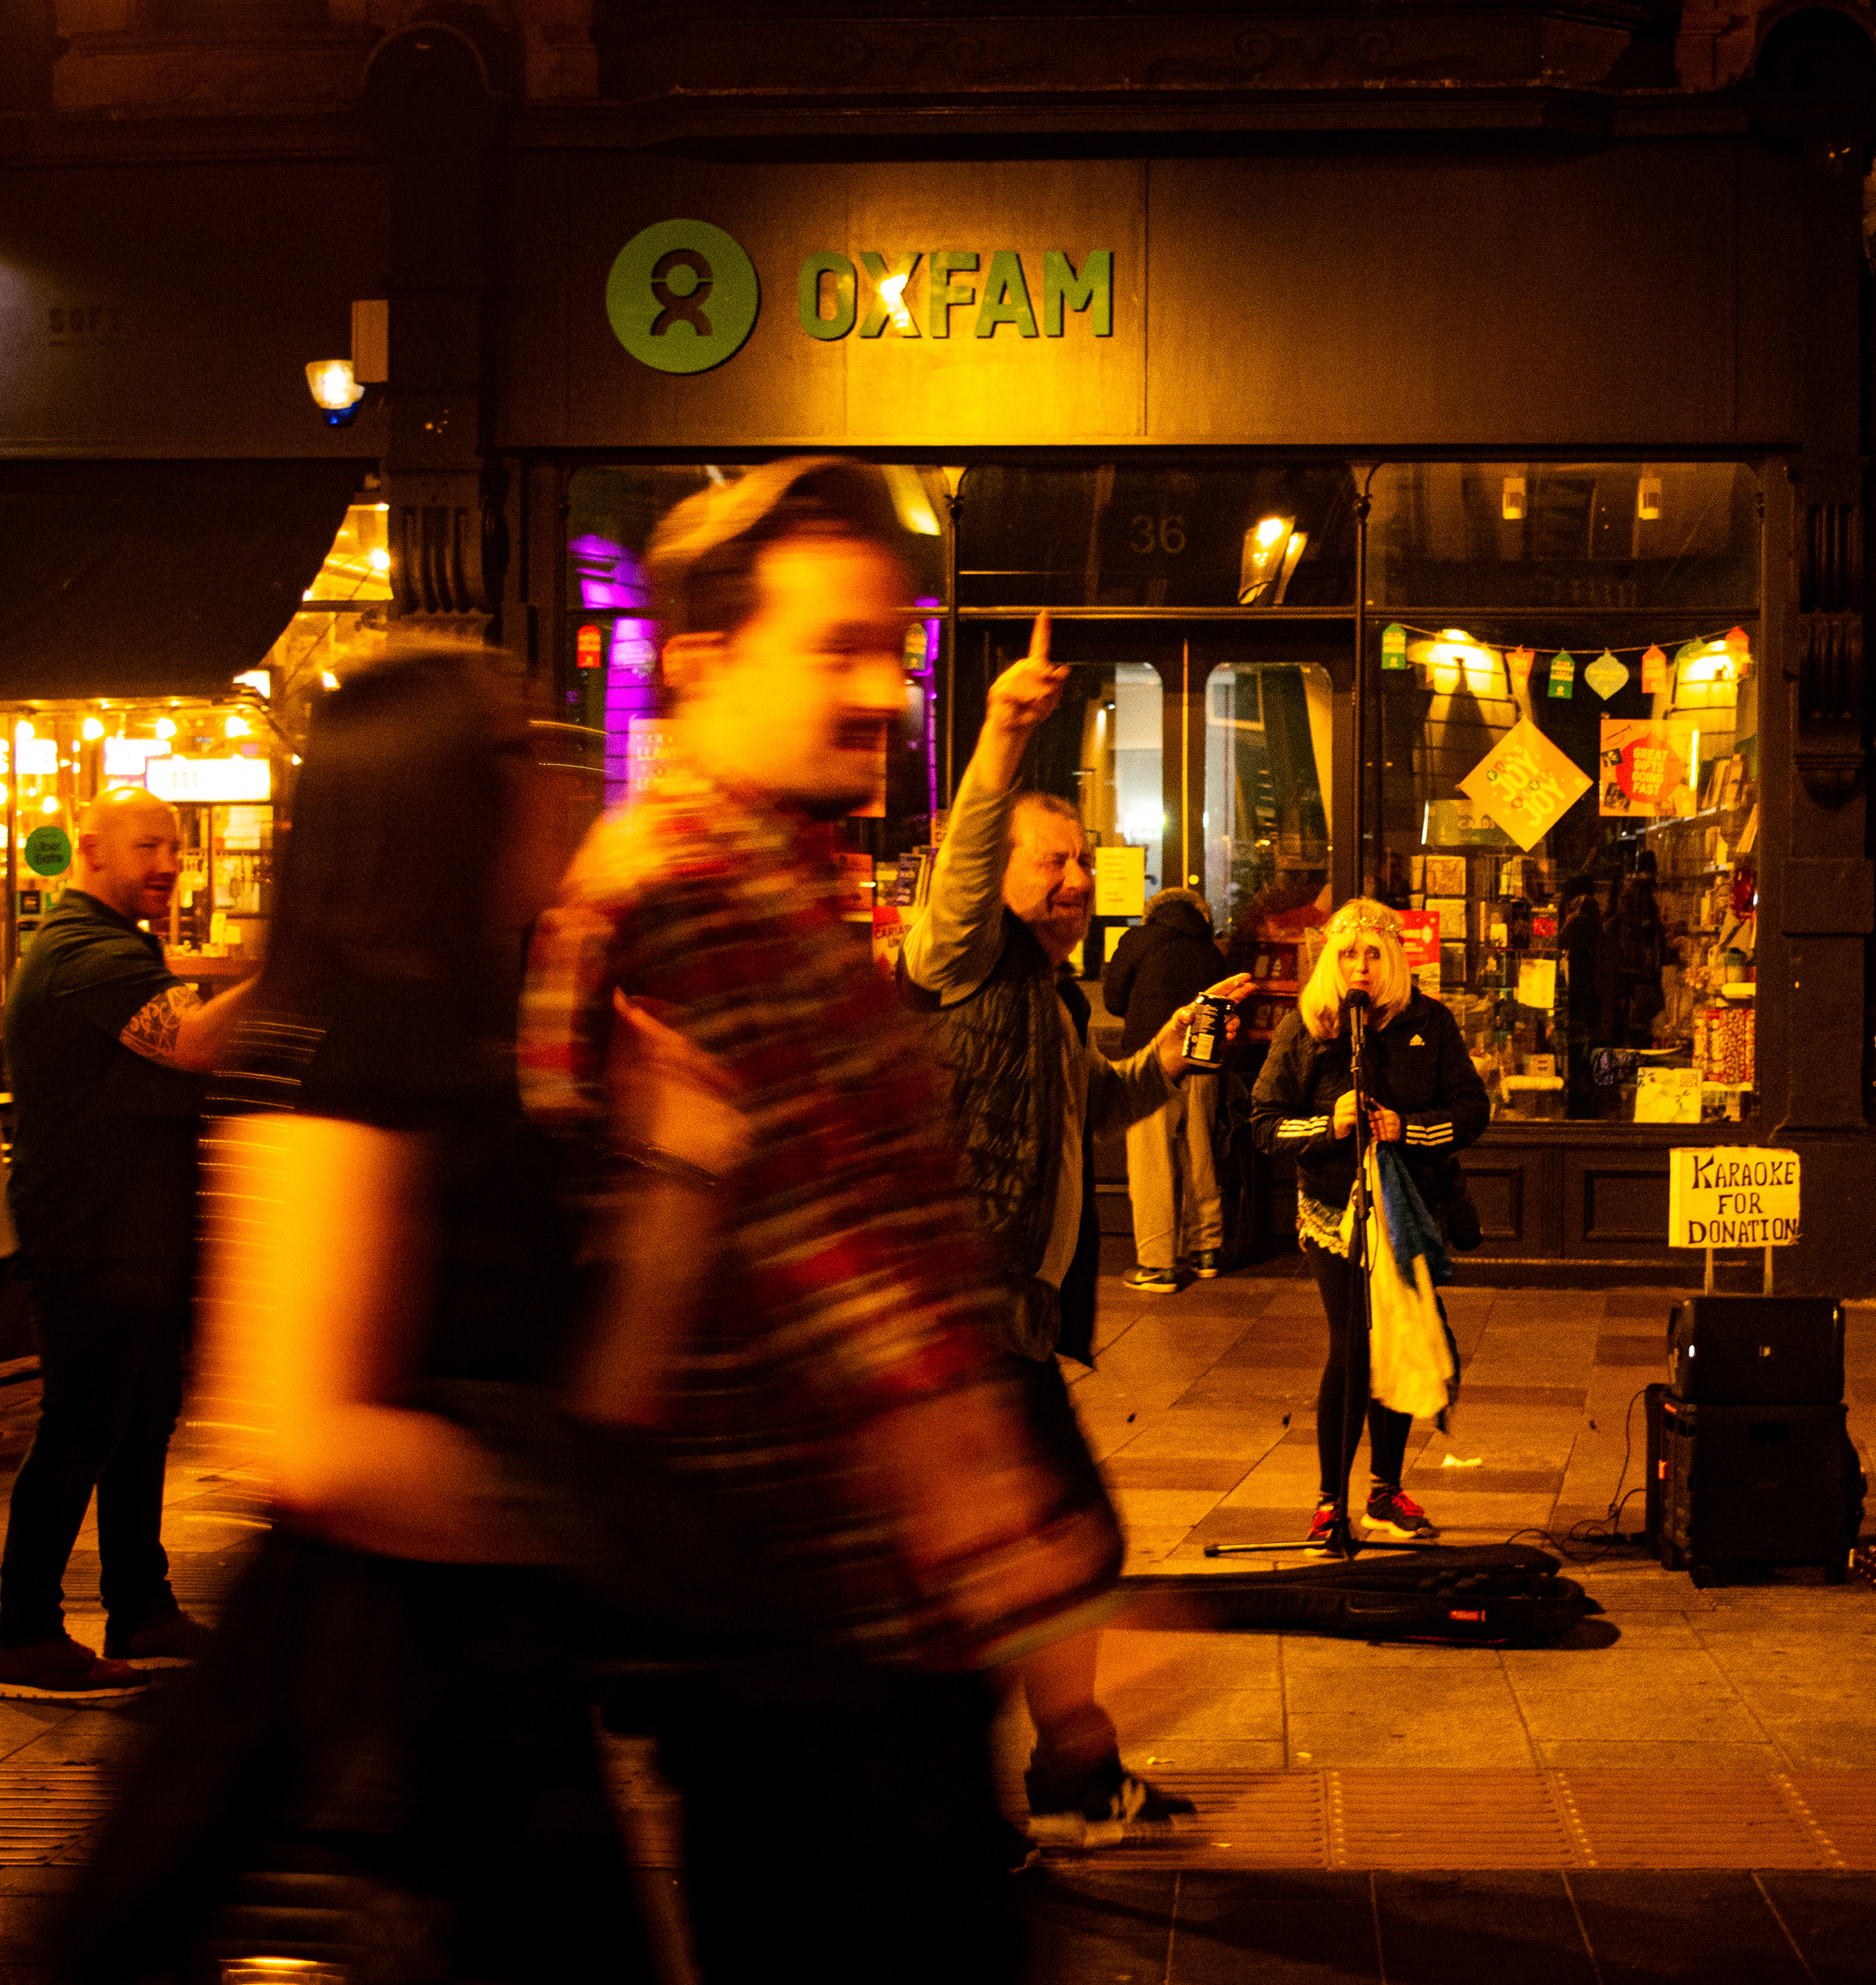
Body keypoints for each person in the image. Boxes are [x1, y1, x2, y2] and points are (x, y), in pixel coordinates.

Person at [520, 457, 1134, 1980]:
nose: (881, 685)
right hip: (806, 1663)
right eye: (836, 646)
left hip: (886, 1648)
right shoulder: (674, 900)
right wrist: (1001, 1525)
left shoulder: (783, 887)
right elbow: (817, 1272)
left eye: (894, 646)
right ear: (704, 661)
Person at [55, 644, 682, 1985]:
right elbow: (310, 1443)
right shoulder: (347, 1046)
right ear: (440, 800)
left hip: (486, 1695)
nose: (562, 779)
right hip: (388, 1729)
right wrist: (590, 1507)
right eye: (525, 751)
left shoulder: (459, 1034)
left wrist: (676, 1171)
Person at [893, 613, 1247, 1844]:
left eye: (1087, 863)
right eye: (1055, 863)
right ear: (993, 880)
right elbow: (960, 871)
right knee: (1046, 1550)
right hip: (960, 1317)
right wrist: (999, 736)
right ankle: (999, 1785)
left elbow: (1096, 1103)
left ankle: (1057, 1771)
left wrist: (1173, 1053)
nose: (1079, 882)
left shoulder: (1052, 995)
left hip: (1016, 1323)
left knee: (1047, 1551)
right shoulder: (961, 966)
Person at [0, 794, 259, 1697]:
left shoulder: (117, 948)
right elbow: (187, 1041)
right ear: (91, 852)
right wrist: (291, 963)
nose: (167, 863)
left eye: (176, 849)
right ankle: (22, 1627)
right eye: (148, 845)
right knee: (80, 1426)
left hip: (129, 1231)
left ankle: (140, 1605)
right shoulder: (83, 951)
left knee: (139, 1421)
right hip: (90, 1232)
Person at [1252, 897, 1489, 1545]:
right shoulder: (1308, 1028)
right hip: (1334, 1209)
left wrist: (1405, 1129)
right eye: (1349, 952)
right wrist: (1328, 1126)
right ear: (1333, 958)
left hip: (1411, 1208)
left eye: (1373, 953)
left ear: (1392, 960)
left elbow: (1472, 1109)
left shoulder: (1428, 1023)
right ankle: (1331, 1499)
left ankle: (1387, 1489)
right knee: (1353, 1342)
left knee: (1400, 1341)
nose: (1360, 965)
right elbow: (1264, 1123)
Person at [1104, 886, 1233, 1291]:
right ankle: (1206, 1249)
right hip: (1202, 1062)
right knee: (1199, 1155)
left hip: (1150, 1061)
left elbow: (1112, 999)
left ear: (1153, 912)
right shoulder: (1211, 952)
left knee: (1151, 1161)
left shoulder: (1137, 940)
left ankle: (1158, 1265)